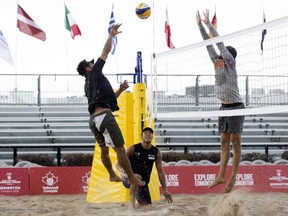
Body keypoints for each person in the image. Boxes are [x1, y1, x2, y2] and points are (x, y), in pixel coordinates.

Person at [76, 23, 144, 187]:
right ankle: (131, 177)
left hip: (93, 120)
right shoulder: (95, 73)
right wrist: (111, 35)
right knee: (120, 149)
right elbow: (105, 52)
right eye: (91, 63)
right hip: (104, 118)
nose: (94, 64)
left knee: (105, 151)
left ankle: (112, 175)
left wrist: (120, 91)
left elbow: (103, 101)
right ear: (88, 68)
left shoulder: (87, 85)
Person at [196, 10, 245, 193]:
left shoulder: (230, 63)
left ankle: (232, 178)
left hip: (236, 107)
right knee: (224, 142)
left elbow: (219, 43)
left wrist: (209, 25)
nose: (220, 55)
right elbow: (209, 45)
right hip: (224, 107)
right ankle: (221, 175)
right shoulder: (217, 63)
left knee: (235, 141)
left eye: (223, 55)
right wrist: (200, 26)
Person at [116, 127, 173, 208]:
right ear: (141, 136)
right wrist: (122, 173)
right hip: (128, 177)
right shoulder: (133, 148)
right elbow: (118, 163)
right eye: (145, 133)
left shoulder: (156, 152)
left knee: (147, 207)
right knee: (136, 176)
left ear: (152, 136)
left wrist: (165, 189)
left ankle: (130, 206)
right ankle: (131, 205)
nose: (148, 135)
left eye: (150, 133)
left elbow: (160, 171)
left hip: (143, 182)